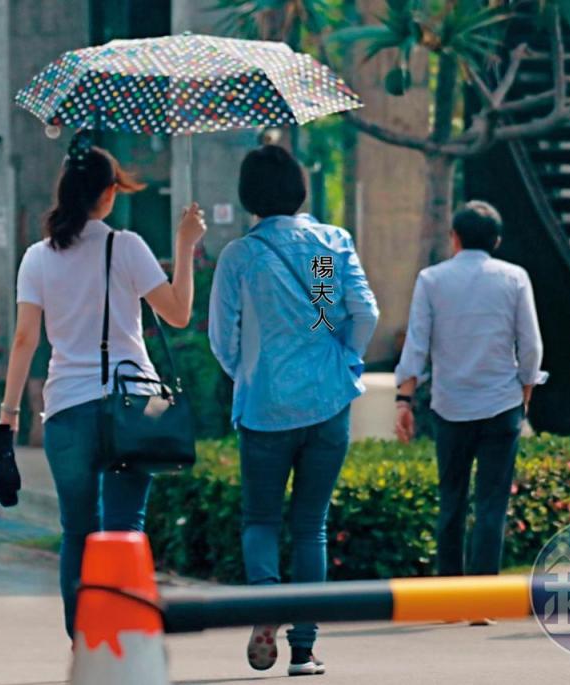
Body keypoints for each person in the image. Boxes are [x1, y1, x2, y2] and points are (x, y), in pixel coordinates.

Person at [0, 133, 207, 638]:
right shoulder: (127, 246)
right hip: (130, 408)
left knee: (77, 533)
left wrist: (9, 413)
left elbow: (26, 339)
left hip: (68, 411)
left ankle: (85, 645)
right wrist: (185, 244)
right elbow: (177, 315)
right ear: (110, 193)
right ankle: (123, 641)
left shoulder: (37, 258)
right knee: (123, 531)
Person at [209, 144, 379, 676]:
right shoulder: (330, 245)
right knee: (311, 526)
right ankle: (304, 649)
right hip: (328, 402)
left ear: (248, 196)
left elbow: (221, 335)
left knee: (260, 518)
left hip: (265, 405)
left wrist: (246, 372)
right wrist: (345, 356)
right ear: (300, 188)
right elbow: (355, 311)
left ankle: (265, 610)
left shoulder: (241, 255)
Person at [394, 201, 544, 598]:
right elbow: (530, 346)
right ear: (496, 240)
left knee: (452, 500)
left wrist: (403, 401)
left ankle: (448, 594)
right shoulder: (515, 277)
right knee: (492, 505)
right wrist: (526, 389)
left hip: (451, 405)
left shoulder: (431, 279)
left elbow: (417, 345)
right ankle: (482, 598)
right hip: (502, 403)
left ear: (454, 238)